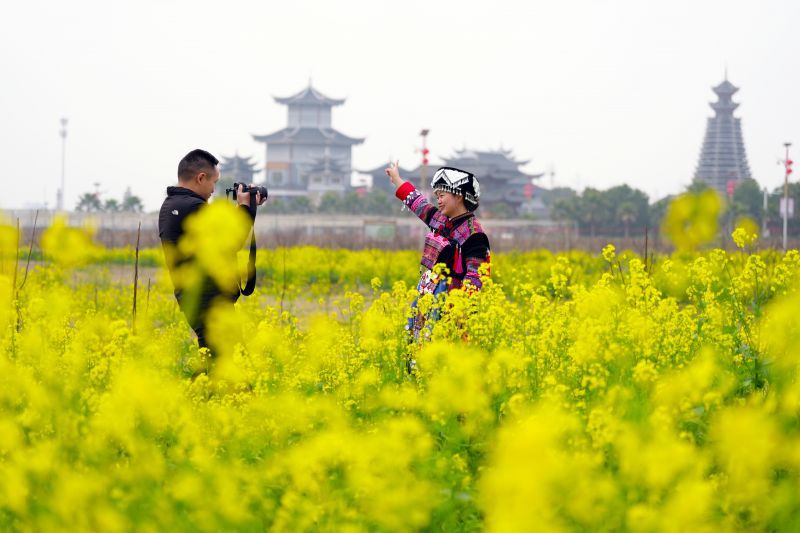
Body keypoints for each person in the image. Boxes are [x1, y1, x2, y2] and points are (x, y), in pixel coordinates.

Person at [158, 149, 266, 363]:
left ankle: (199, 394)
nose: (213, 190)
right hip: (209, 301)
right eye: (213, 183)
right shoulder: (194, 207)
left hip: (197, 298)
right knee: (230, 367)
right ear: (200, 178)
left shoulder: (172, 205)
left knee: (216, 364)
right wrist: (246, 208)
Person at [385, 162, 491, 345]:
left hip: (450, 300)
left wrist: (461, 308)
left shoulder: (474, 234)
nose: (438, 200)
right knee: (416, 344)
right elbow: (418, 203)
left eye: (442, 195)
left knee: (441, 347)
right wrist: (396, 179)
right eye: (437, 196)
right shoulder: (440, 220)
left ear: (458, 196)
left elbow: (475, 276)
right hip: (427, 293)